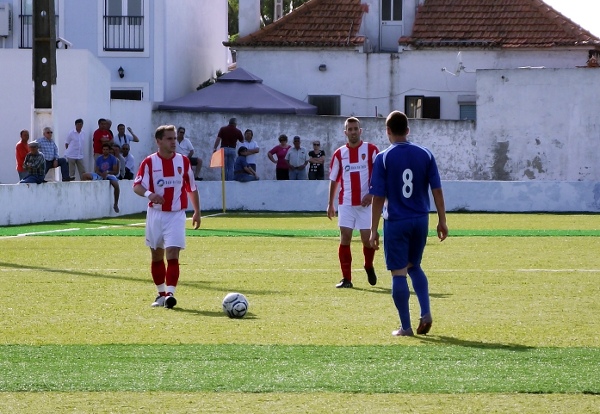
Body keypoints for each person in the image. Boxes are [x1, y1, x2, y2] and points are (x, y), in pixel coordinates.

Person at [369, 111, 448, 337]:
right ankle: (425, 312)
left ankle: (405, 327)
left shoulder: (383, 157)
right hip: (420, 219)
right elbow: (437, 190)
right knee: (414, 266)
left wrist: (373, 229)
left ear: (388, 131)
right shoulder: (425, 154)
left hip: (397, 220)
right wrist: (442, 220)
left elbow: (378, 197)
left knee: (398, 273)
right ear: (407, 130)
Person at [133, 124, 201, 309]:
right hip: (155, 214)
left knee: (172, 253)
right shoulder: (149, 162)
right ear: (159, 141)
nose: (174, 142)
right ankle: (161, 294)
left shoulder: (183, 161)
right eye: (169, 138)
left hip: (176, 215)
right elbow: (137, 186)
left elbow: (191, 187)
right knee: (156, 255)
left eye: (175, 138)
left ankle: (170, 294)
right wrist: (150, 195)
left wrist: (197, 211)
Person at [327, 117, 379, 288]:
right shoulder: (339, 154)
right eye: (350, 129)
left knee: (367, 240)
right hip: (346, 202)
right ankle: (346, 279)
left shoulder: (371, 150)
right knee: (345, 237)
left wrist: (372, 194)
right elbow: (334, 179)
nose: (353, 132)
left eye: (356, 128)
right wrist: (330, 203)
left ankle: (368, 265)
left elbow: (380, 175)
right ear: (345, 132)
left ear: (360, 130)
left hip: (366, 204)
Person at [82, 143, 120, 213]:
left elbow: (115, 171)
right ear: (102, 150)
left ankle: (115, 204)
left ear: (109, 150)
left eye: (107, 149)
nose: (105, 151)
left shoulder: (113, 158)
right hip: (100, 175)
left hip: (109, 174)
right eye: (104, 149)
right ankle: (85, 198)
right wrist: (101, 174)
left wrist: (107, 173)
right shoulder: (99, 158)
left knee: (116, 185)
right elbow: (96, 170)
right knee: (84, 175)